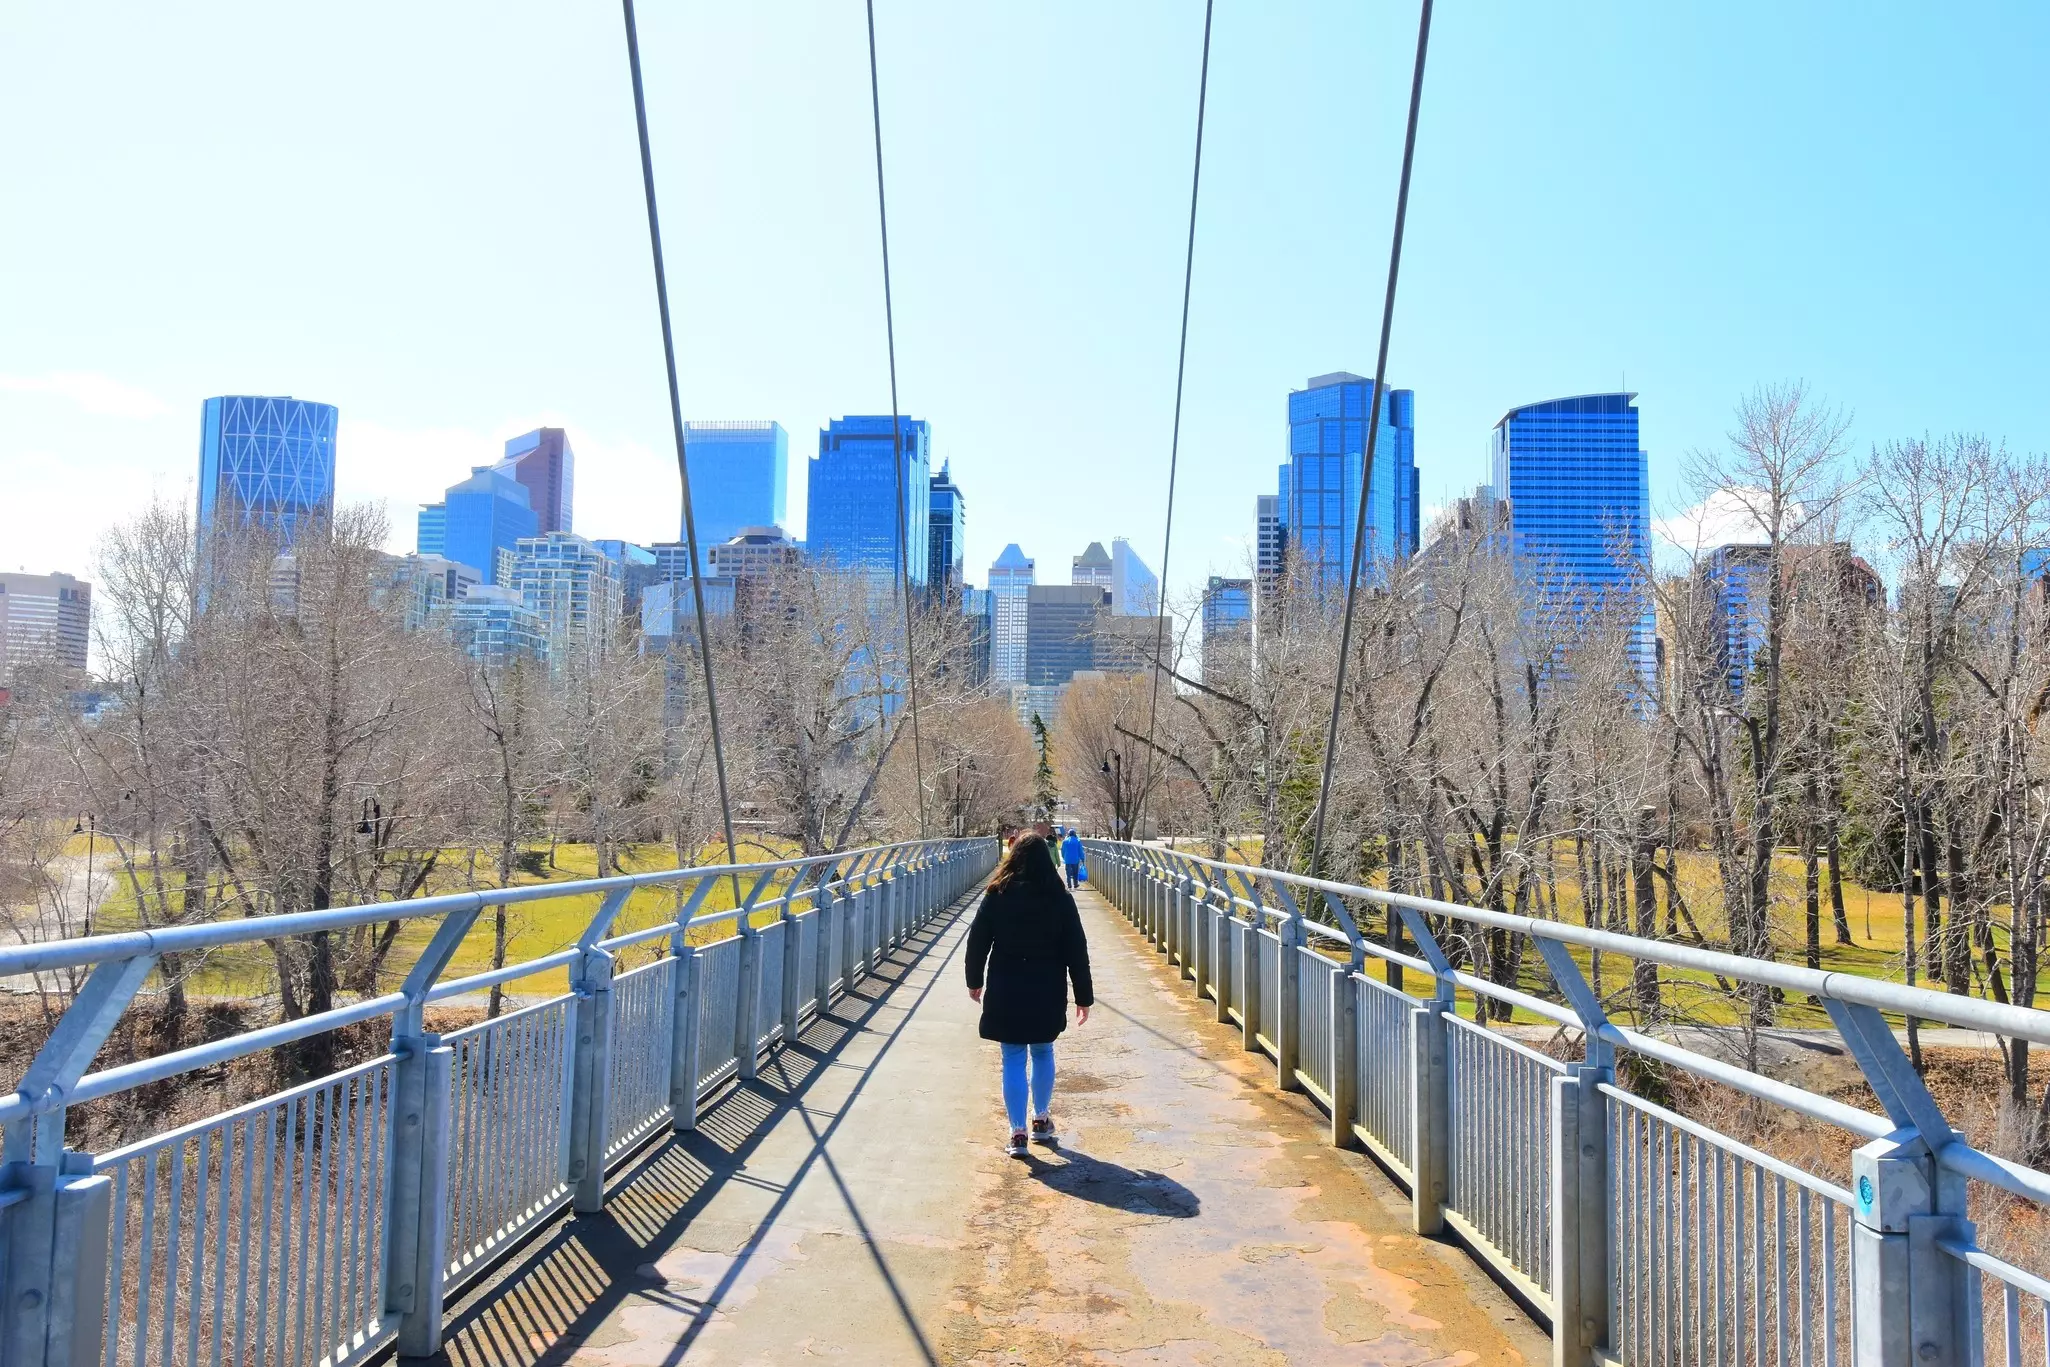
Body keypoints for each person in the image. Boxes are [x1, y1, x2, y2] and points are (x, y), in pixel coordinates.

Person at [965, 831, 1093, 1157]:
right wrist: (1083, 996)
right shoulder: (1060, 898)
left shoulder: (997, 894)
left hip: (1007, 987)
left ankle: (1017, 1133)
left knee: (1011, 1057)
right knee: (1042, 1051)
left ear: (1014, 858)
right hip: (1046, 988)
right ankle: (1041, 1120)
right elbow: (1076, 950)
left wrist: (974, 980)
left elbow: (977, 941)